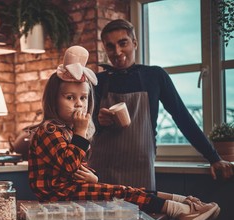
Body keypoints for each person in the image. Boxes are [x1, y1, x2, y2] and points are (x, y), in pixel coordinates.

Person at [28, 45, 220, 220]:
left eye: (83, 98)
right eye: (70, 98)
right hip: (57, 197)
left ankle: (185, 202)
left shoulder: (66, 131)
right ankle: (180, 210)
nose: (79, 104)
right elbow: (69, 164)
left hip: (68, 190)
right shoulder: (50, 130)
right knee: (120, 194)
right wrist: (80, 133)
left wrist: (92, 176)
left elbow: (74, 166)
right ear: (54, 99)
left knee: (128, 189)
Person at [89, 19, 233, 191]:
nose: (117, 51)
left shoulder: (155, 76)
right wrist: (97, 122)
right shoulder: (97, 81)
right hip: (101, 169)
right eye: (110, 46)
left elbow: (182, 117)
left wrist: (214, 157)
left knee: (142, 216)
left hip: (139, 168)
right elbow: (85, 128)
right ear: (105, 48)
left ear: (134, 43)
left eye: (123, 43)